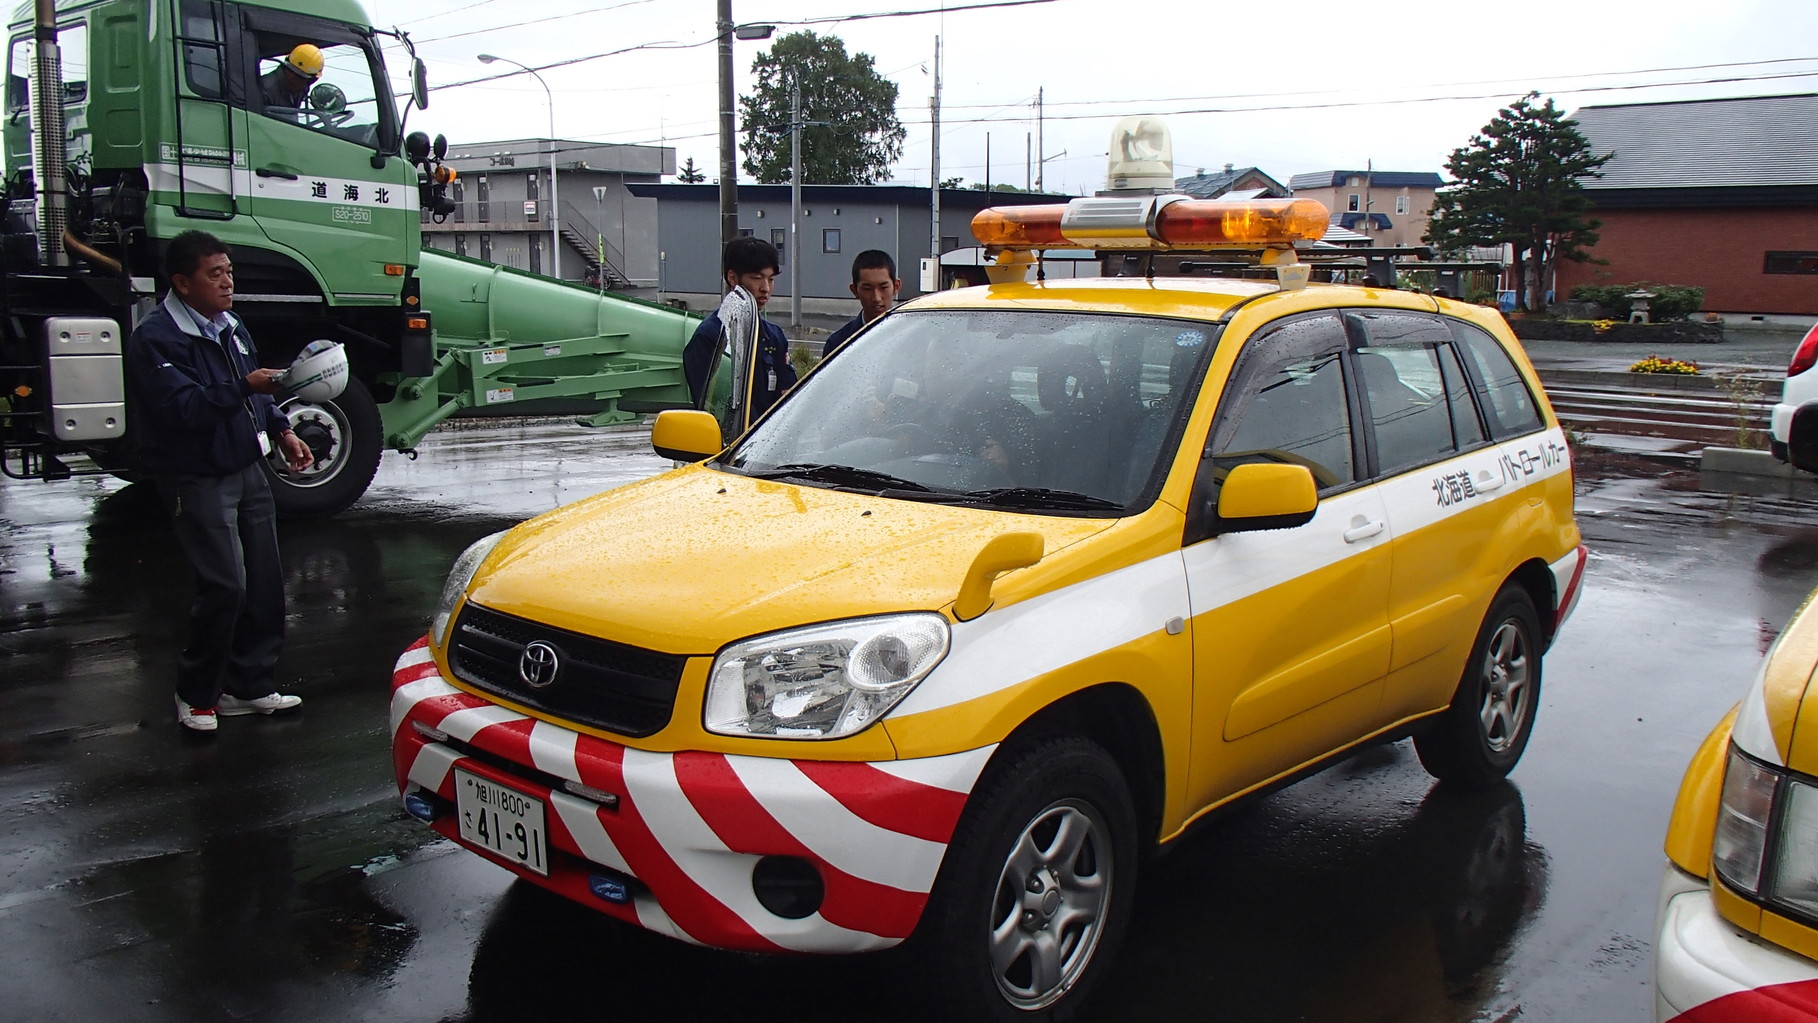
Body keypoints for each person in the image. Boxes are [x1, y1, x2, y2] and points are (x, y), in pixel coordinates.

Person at [124, 230, 313, 734]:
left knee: (267, 583)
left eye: (229, 271)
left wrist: (282, 429)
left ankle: (249, 686)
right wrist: (243, 387)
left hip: (247, 467)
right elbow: (182, 409)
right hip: (197, 474)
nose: (228, 282)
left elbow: (258, 389)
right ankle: (197, 693)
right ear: (183, 283)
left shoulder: (229, 325)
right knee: (225, 585)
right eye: (215, 274)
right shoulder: (157, 338)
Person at [682, 236, 797, 421]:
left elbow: (789, 394)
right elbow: (715, 410)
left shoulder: (774, 335)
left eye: (771, 279)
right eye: (757, 278)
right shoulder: (710, 337)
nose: (765, 288)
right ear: (733, 278)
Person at [820, 249, 901, 364]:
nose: (876, 298)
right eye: (867, 289)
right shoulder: (839, 343)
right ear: (855, 290)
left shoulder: (912, 337)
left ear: (896, 287)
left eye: (883, 288)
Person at [260, 43, 323, 110]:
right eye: (307, 81)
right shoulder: (265, 90)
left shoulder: (299, 88)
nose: (306, 85)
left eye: (312, 81)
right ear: (291, 74)